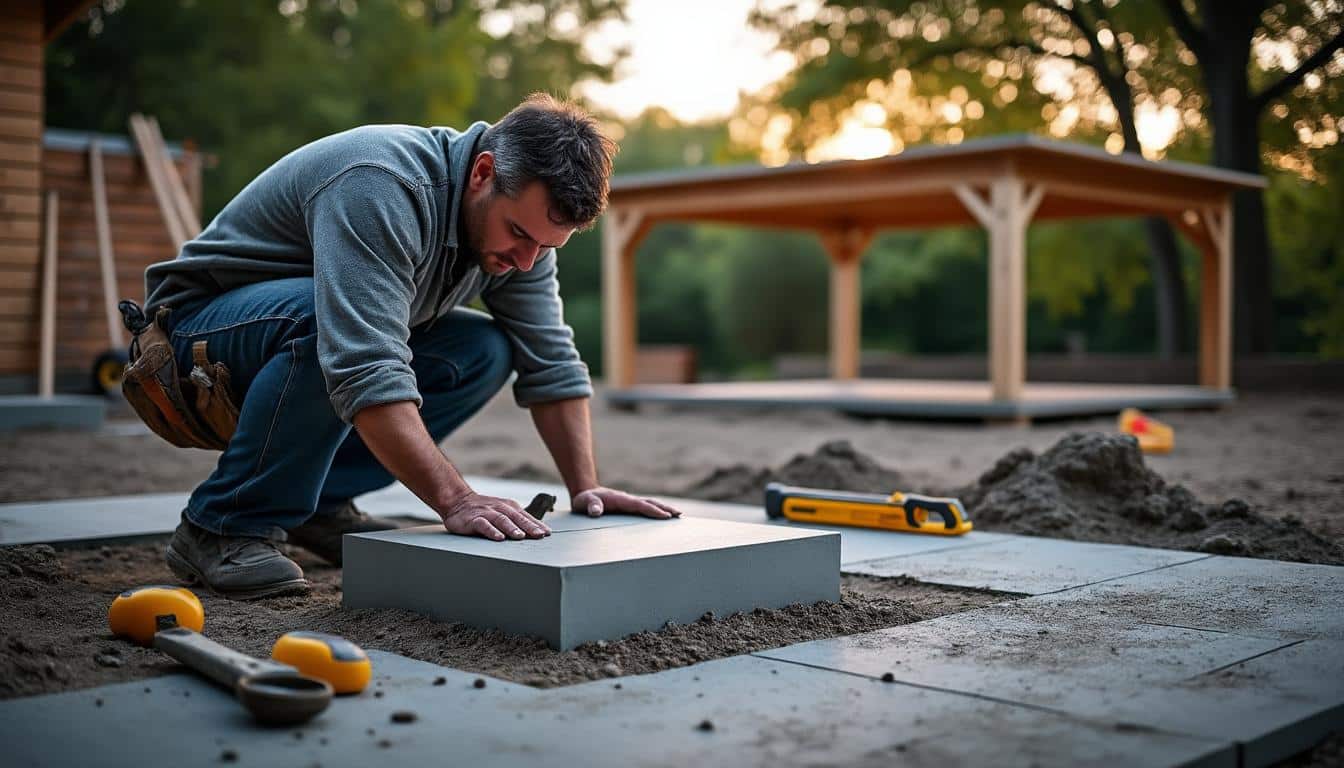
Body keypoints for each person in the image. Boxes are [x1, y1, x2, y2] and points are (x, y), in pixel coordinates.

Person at [139, 93, 680, 599]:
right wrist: (457, 500)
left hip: (304, 333)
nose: (526, 260)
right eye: (519, 234)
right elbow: (364, 362)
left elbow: (550, 360)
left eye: (545, 246)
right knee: (328, 322)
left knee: (485, 349)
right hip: (194, 340)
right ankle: (221, 525)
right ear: (483, 173)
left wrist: (586, 488)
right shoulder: (381, 183)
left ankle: (316, 501)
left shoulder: (522, 239)